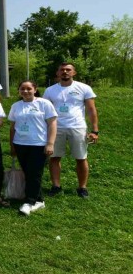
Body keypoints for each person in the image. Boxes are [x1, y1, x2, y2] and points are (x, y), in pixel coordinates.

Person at [43, 62, 99, 198]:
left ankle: (82, 188)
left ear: (74, 73)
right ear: (57, 73)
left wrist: (95, 130)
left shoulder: (84, 88)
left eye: (68, 70)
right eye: (62, 70)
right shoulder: (50, 90)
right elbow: (44, 111)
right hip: (56, 127)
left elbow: (91, 110)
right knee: (55, 158)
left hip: (78, 127)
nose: (65, 72)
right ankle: (56, 186)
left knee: (81, 158)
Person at [8, 80, 57, 216]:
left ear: (35, 89)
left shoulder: (44, 103)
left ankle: (29, 202)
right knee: (28, 173)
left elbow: (52, 124)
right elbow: (12, 128)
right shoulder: (16, 106)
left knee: (34, 173)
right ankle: (39, 200)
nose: (25, 91)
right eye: (22, 89)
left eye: (29, 89)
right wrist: (12, 146)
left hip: (38, 144)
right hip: (20, 144)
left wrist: (50, 143)